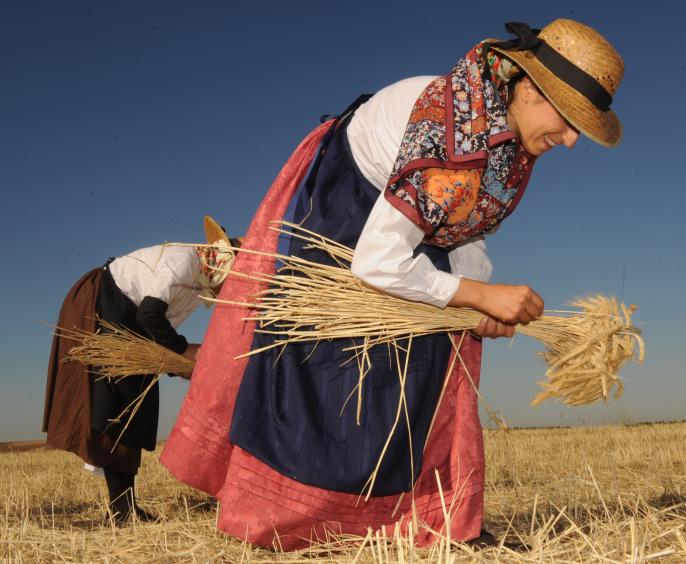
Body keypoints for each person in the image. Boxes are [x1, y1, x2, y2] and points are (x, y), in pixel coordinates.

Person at [161, 18, 624, 548]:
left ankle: (429, 524)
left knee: (426, 367)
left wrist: (478, 307)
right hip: (348, 199)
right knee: (332, 370)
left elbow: (464, 229)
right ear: (527, 87)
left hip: (407, 219)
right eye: (567, 121)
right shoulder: (454, 133)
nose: (569, 141)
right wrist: (477, 295)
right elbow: (377, 261)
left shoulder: (512, 147)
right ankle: (282, 521)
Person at [43, 216, 238, 524]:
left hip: (129, 323)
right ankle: (121, 510)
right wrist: (185, 352)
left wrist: (181, 366)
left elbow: (157, 333)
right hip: (104, 305)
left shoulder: (195, 287)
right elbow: (150, 314)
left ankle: (123, 508)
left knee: (138, 409)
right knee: (119, 404)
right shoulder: (184, 261)